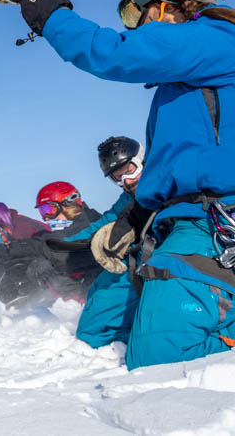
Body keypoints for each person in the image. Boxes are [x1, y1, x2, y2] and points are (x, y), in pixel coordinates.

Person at [0, 0, 235, 370]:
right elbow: (177, 166)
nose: (138, 25)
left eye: (138, 11)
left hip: (229, 215)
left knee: (162, 353)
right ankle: (187, 309)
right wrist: (133, 219)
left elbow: (112, 53)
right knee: (96, 335)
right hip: (180, 216)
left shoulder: (218, 38)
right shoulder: (185, 83)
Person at [43, 136, 144, 348]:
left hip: (161, 259)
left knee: (94, 330)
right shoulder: (128, 197)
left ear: (142, 159)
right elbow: (108, 219)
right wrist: (69, 244)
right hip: (137, 261)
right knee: (92, 324)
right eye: (117, 178)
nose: (126, 181)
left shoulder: (166, 180)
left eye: (129, 170)